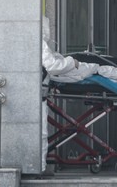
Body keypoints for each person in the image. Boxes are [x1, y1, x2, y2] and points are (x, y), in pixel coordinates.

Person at [41, 16, 79, 172]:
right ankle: (40, 167)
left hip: (35, 92)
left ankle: (39, 167)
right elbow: (53, 66)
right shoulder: (40, 43)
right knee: (41, 133)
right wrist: (72, 62)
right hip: (38, 94)